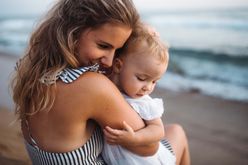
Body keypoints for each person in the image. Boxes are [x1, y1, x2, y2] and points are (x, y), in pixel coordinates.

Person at [11, 0, 190, 164]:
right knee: (178, 133)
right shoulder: (90, 86)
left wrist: (137, 33)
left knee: (172, 129)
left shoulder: (39, 75)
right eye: (103, 46)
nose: (110, 62)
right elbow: (148, 148)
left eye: (117, 50)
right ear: (73, 30)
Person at [101, 25, 178, 165]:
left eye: (154, 81)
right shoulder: (104, 83)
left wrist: (135, 138)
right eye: (142, 78)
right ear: (118, 66)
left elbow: (158, 130)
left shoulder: (143, 102)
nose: (147, 88)